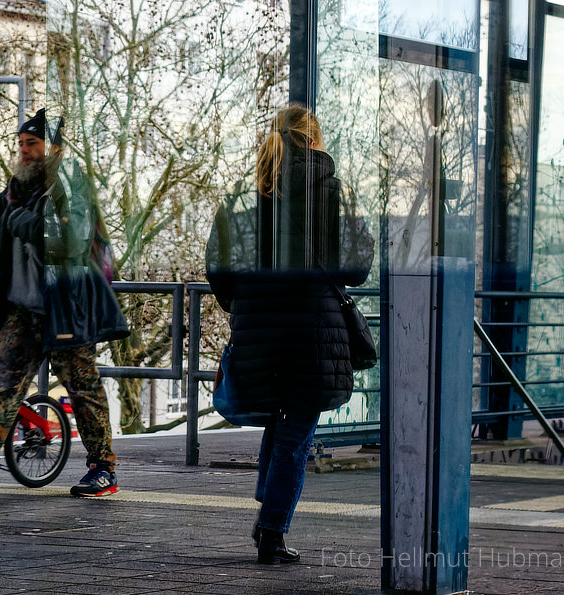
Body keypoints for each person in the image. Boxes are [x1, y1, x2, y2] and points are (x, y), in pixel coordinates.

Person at [0, 109, 129, 498]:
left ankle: (103, 468)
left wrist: (27, 225)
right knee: (1, 387)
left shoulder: (72, 186)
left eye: (32, 144)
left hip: (67, 307)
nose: (24, 151)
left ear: (53, 148)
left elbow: (71, 243)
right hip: (21, 307)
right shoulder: (15, 190)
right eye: (20, 144)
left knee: (83, 390)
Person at [205, 104, 373, 564]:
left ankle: (267, 520)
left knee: (281, 425)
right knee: (295, 435)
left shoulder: (243, 195)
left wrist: (244, 307)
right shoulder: (332, 191)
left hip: (257, 331)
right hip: (312, 336)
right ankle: (272, 534)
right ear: (314, 140)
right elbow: (356, 268)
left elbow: (217, 266)